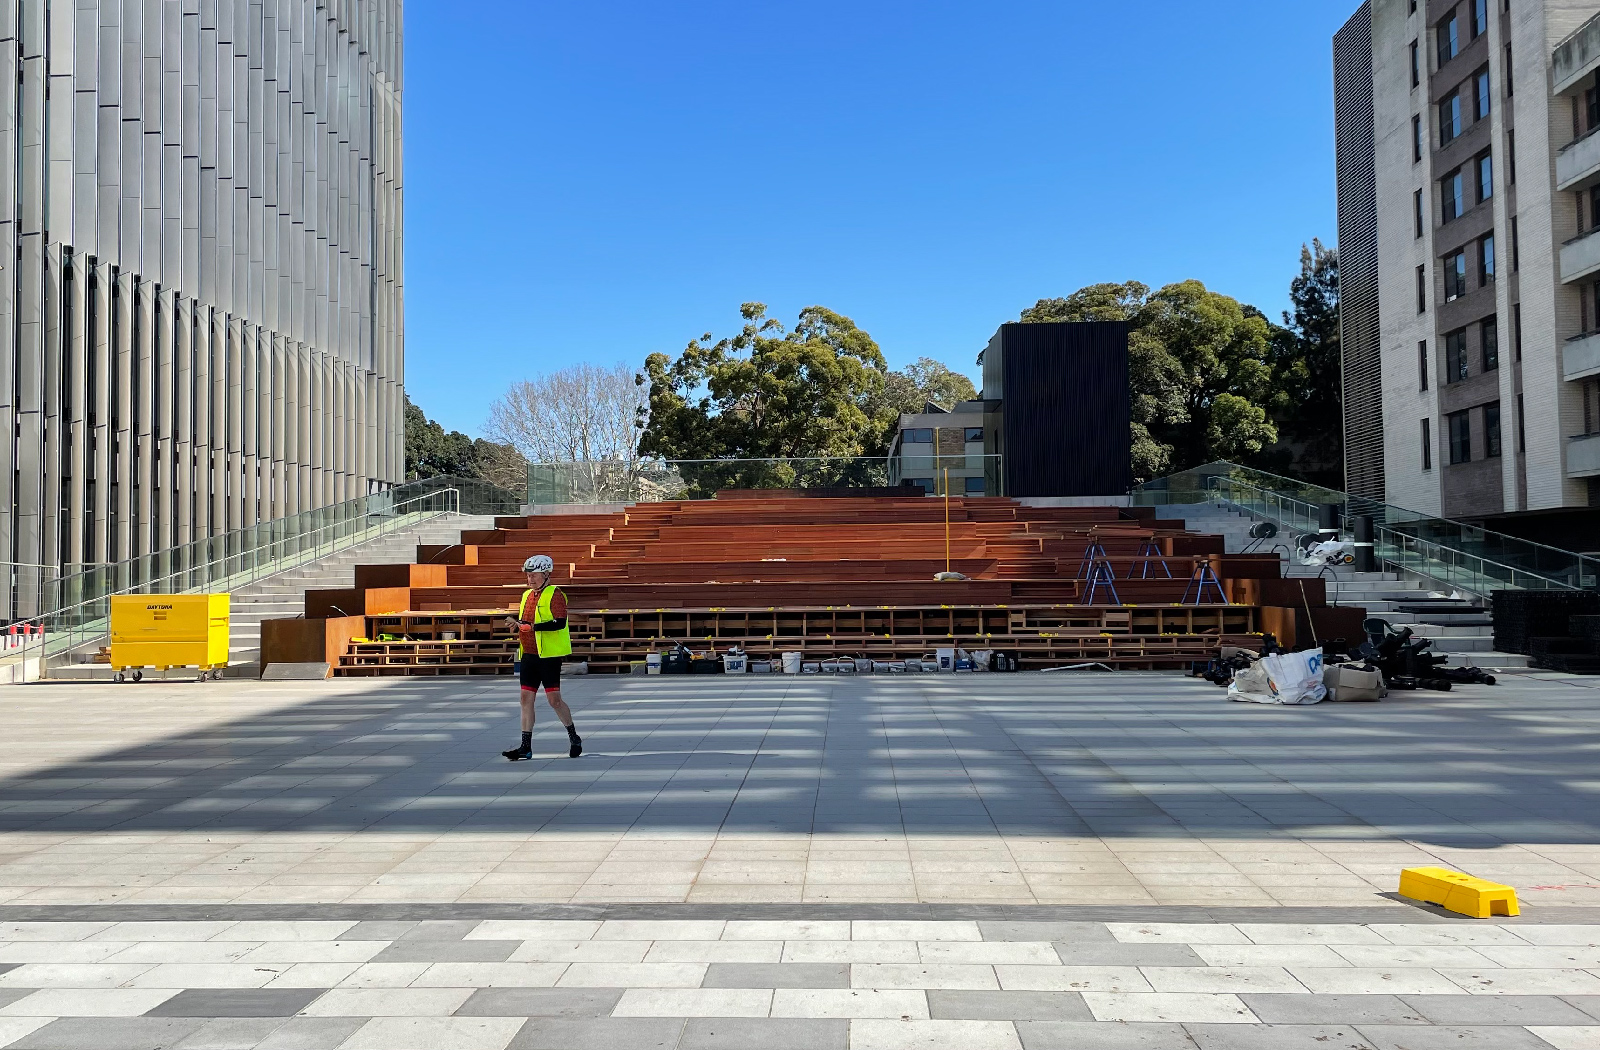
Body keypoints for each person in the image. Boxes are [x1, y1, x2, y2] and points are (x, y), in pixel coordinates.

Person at [501, 554, 582, 761]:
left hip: (549, 655)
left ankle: (573, 736)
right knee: (525, 698)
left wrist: (533, 627)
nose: (530, 580)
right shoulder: (526, 595)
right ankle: (525, 747)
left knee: (554, 700)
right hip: (528, 654)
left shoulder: (555, 594)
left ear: (546, 574)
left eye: (534, 575)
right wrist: (516, 623)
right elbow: (525, 620)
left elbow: (559, 623)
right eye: (528, 576)